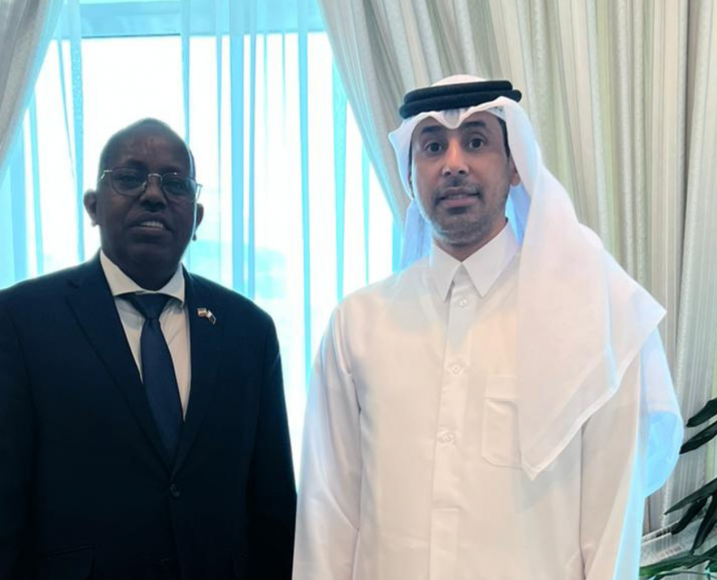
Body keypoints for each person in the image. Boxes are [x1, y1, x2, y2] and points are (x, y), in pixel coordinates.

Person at [293, 75, 684, 579]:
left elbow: (611, 531)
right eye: (433, 146)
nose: (453, 163)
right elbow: (327, 520)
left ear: (516, 164)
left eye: (476, 141)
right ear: (410, 173)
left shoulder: (593, 318)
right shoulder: (357, 326)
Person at [0, 119, 296, 580]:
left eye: (175, 183)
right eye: (129, 177)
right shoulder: (21, 320)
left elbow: (273, 508)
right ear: (93, 207)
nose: (154, 194)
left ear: (196, 218)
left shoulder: (249, 331)